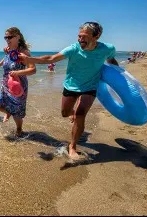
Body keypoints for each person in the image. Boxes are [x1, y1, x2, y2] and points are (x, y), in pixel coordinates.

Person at [18, 21, 118, 160]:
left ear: (97, 36)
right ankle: (72, 113)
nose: (80, 39)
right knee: (65, 113)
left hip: (90, 87)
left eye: (84, 36)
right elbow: (52, 58)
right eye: (79, 36)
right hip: (71, 86)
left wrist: (119, 77)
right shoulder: (73, 49)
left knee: (80, 113)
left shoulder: (107, 48)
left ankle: (72, 146)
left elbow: (111, 60)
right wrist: (30, 59)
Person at [0, 27, 36, 136]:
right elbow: (6, 58)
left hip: (18, 87)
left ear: (17, 36)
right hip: (5, 84)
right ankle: (8, 112)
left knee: (17, 114)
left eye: (9, 37)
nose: (7, 39)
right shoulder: (8, 50)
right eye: (5, 37)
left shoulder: (24, 52)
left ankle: (19, 129)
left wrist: (18, 73)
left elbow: (33, 70)